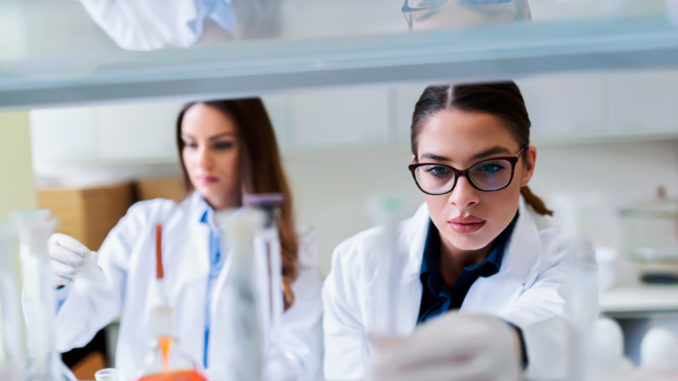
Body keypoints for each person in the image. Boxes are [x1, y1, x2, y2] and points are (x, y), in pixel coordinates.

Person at [322, 82, 597, 381]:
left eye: (490, 168)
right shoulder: (357, 263)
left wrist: (502, 341)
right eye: (438, 170)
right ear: (417, 168)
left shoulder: (562, 255)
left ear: (527, 165)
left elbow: (549, 329)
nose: (462, 197)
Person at [48, 98, 322, 381]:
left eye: (222, 144)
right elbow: (64, 333)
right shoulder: (146, 225)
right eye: (191, 144)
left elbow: (299, 360)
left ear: (253, 149)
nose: (202, 161)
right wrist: (51, 282)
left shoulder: (289, 243)